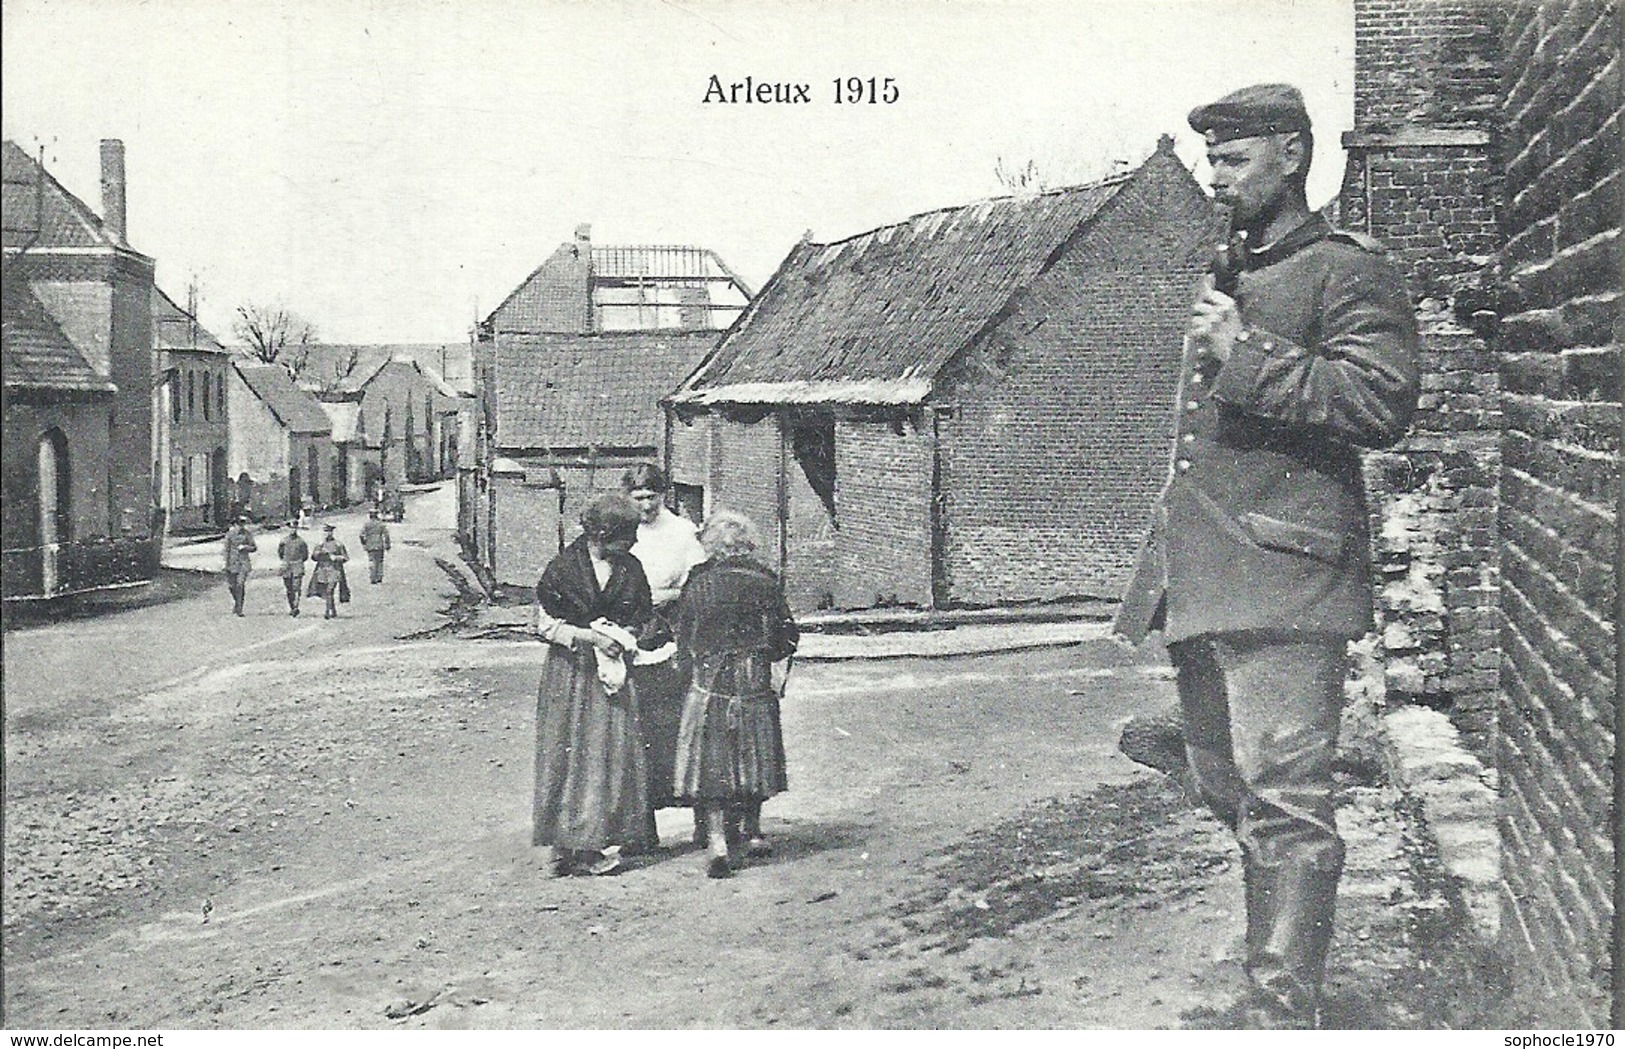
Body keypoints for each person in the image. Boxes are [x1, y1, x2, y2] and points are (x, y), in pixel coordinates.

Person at [1113, 84, 1419, 1028]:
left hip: (1288, 582)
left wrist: (1244, 351)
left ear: (1291, 155)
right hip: (1208, 580)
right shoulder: (1230, 268)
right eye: (1211, 160)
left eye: (1234, 160)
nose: (1216, 179)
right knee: (1226, 782)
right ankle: (1280, 967)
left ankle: (1282, 1009)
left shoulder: (1346, 271)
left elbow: (1379, 406)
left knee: (1283, 802)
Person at [531, 494, 664, 877]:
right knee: (566, 755)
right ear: (603, 535)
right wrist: (590, 637)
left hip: (614, 674)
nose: (634, 543)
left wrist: (629, 636)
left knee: (608, 757)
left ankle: (592, 843)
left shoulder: (631, 569)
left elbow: (644, 617)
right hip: (571, 674)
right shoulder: (563, 570)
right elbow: (544, 625)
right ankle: (564, 848)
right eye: (628, 535)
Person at [671, 509, 798, 879]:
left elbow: (685, 637)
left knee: (711, 758)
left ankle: (717, 841)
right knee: (754, 751)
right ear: (748, 544)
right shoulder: (765, 581)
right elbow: (785, 638)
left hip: (710, 679)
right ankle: (753, 831)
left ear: (712, 545)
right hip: (752, 676)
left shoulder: (698, 582)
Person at [620, 463, 709, 839]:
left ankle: (704, 824)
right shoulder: (621, 533)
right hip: (633, 637)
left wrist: (666, 596)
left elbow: (699, 583)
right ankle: (643, 832)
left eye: (651, 497)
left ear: (664, 495)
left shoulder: (683, 532)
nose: (645, 506)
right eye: (637, 498)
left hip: (673, 635)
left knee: (685, 730)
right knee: (640, 735)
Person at [309, 524, 350, 620]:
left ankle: (327, 612)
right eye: (325, 532)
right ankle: (333, 609)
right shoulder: (320, 545)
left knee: (329, 590)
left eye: (329, 531)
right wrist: (319, 554)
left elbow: (346, 557)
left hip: (334, 570)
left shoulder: (338, 544)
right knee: (325, 591)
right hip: (323, 570)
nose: (327, 534)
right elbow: (313, 557)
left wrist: (336, 557)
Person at [222, 515, 257, 617]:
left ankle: (239, 608)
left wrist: (246, 547)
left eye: (243, 524)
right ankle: (237, 603)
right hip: (232, 564)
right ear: (235, 524)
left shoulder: (247, 534)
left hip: (243, 563)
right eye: (239, 524)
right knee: (232, 586)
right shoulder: (230, 535)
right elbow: (226, 550)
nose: (241, 526)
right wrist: (225, 563)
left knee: (240, 585)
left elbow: (254, 547)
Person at [276, 520, 310, 617]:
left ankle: (296, 606)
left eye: (294, 528)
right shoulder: (283, 541)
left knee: (297, 587)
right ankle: (292, 606)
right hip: (287, 566)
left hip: (297, 565)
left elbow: (305, 555)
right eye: (291, 528)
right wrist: (285, 562)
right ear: (288, 529)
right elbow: (280, 553)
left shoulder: (301, 541)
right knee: (289, 588)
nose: (293, 530)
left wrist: (298, 562)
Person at [359, 510, 392, 584]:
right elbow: (386, 535)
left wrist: (364, 543)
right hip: (379, 545)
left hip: (370, 545)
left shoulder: (366, 524)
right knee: (379, 561)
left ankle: (373, 577)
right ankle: (379, 577)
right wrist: (387, 544)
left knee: (371, 561)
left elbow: (361, 535)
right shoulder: (380, 524)